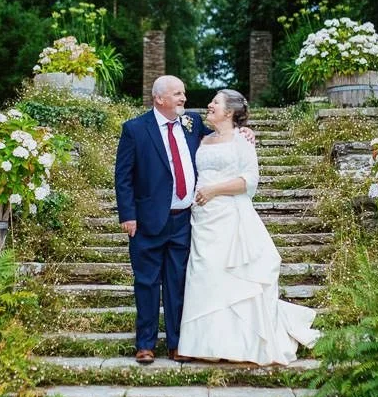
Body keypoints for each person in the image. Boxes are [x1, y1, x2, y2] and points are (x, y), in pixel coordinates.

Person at [177, 89, 320, 365]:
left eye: (215, 103)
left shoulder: (242, 141)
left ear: (229, 112)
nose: (209, 105)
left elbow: (250, 181)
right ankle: (203, 343)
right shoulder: (201, 138)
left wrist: (215, 190)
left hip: (231, 217)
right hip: (203, 219)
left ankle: (240, 344)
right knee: (205, 276)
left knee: (233, 279)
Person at [114, 75, 209, 364]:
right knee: (146, 282)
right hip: (147, 221)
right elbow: (124, 176)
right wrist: (128, 215)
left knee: (178, 282)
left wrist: (245, 133)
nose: (184, 98)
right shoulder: (135, 129)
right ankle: (145, 344)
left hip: (183, 220)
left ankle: (177, 343)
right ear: (159, 98)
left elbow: (219, 137)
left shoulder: (192, 123)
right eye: (177, 94)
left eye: (183, 93)